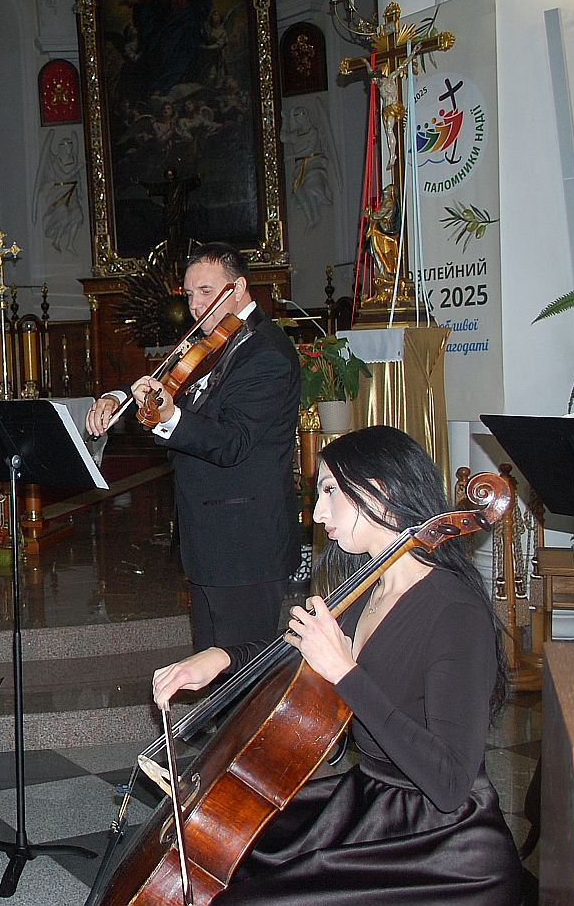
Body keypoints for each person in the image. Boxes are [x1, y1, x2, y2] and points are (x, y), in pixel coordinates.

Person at [149, 426, 523, 903]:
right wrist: (220, 657)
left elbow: (450, 784)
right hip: (371, 802)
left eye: (329, 491)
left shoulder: (455, 611)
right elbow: (295, 648)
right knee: (227, 845)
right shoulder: (368, 586)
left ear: (380, 492)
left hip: (440, 849)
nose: (317, 512)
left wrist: (345, 673)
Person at [85, 242, 299, 652]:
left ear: (238, 288)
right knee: (210, 666)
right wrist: (117, 398)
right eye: (189, 294)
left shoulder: (266, 352)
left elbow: (232, 442)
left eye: (206, 291)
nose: (196, 305)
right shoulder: (214, 341)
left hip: (243, 544)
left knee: (239, 670)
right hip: (210, 542)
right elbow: (165, 386)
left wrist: (170, 417)